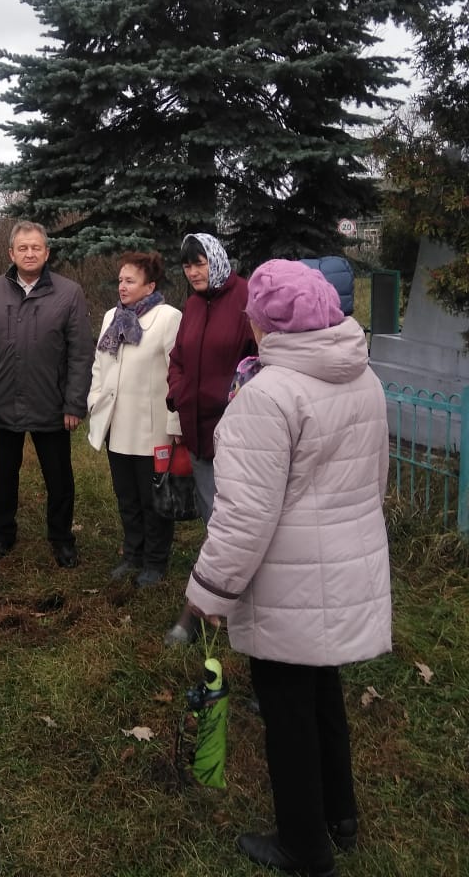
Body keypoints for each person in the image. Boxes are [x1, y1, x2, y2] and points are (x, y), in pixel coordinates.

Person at [183, 260, 391, 877]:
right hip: (342, 569)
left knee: (288, 715)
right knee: (323, 694)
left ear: (269, 322)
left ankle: (304, 848)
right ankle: (339, 815)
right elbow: (374, 480)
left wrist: (206, 595)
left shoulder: (267, 396)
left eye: (254, 311)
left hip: (289, 582)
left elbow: (242, 518)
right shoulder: (363, 378)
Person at [0, 221, 93, 568]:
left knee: (59, 476)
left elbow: (81, 353)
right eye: (22, 248)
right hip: (3, 399)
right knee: (4, 475)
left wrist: (73, 402)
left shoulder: (69, 293)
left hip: (50, 403)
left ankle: (62, 538)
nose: (29, 253)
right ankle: (2, 535)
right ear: (11, 253)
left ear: (47, 252)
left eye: (36, 247)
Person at [164, 232, 254, 644]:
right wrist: (180, 393)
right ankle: (214, 606)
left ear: (216, 258)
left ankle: (217, 611)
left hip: (236, 438)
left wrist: (236, 405)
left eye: (199, 262)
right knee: (212, 524)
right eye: (187, 266)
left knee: (233, 527)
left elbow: (260, 360)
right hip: (198, 435)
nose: (193, 272)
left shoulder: (246, 298)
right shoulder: (194, 304)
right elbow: (178, 358)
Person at [87, 251, 182, 586]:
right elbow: (100, 363)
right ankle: (133, 554)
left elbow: (177, 373)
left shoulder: (168, 318)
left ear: (150, 285)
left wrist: (175, 425)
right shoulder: (113, 315)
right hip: (117, 424)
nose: (122, 287)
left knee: (153, 499)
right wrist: (95, 399)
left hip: (152, 428)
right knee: (126, 496)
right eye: (120, 280)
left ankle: (156, 562)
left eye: (130, 281)